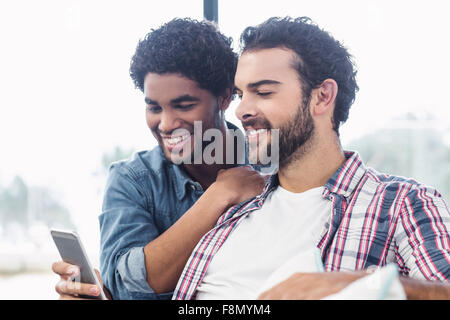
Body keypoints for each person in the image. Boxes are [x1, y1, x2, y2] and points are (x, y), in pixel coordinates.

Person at [172, 17, 450, 300]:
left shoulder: (403, 204)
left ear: (322, 97)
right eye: (242, 94)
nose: (241, 110)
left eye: (264, 92)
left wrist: (361, 284)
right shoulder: (236, 206)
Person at [51, 18, 266, 300]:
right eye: (154, 107)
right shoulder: (133, 180)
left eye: (184, 105)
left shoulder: (269, 165)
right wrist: (220, 195)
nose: (165, 124)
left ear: (225, 97)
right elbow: (127, 291)